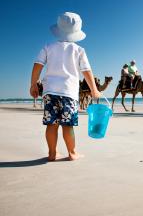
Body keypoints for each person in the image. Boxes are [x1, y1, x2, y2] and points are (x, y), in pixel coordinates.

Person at [30, 12, 100, 161]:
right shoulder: (79, 50)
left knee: (51, 124)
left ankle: (52, 153)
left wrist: (33, 84)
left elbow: (37, 65)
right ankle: (72, 153)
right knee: (68, 126)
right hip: (68, 93)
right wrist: (94, 89)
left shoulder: (48, 46)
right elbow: (86, 71)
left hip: (50, 92)